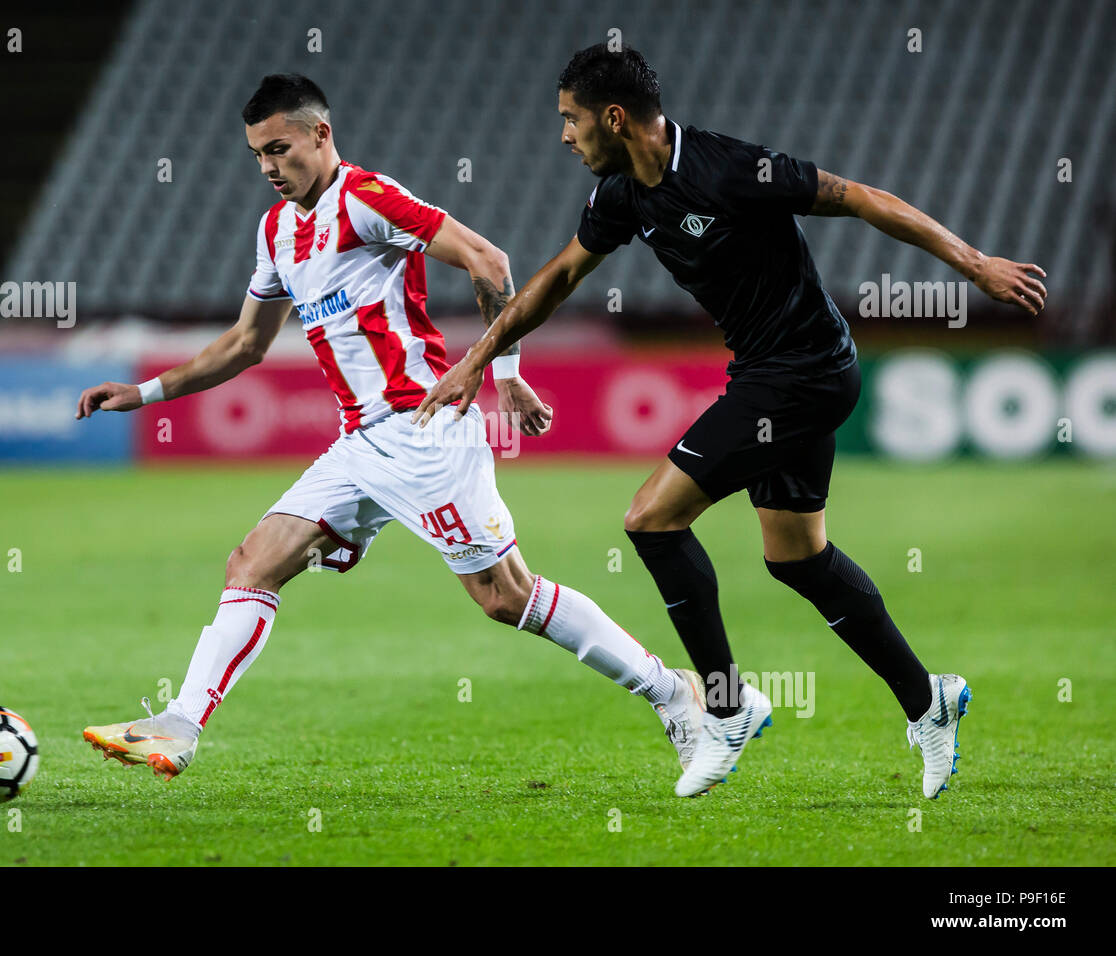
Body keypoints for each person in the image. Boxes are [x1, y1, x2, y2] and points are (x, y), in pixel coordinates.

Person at [414, 45, 1048, 799]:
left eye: (570, 119)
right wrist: (482, 356)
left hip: (805, 372)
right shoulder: (621, 195)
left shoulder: (729, 169)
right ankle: (928, 701)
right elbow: (556, 278)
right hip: (770, 372)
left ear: (613, 118)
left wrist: (974, 265)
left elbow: (858, 196)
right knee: (798, 560)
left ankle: (725, 707)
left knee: (651, 519)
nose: (564, 136)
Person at [74, 73, 706, 782]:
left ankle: (673, 691)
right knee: (252, 564)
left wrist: (503, 375)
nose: (268, 168)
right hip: (358, 444)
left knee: (507, 597)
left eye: (280, 149)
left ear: (321, 133)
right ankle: (181, 725)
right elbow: (247, 343)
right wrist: (144, 392)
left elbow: (489, 259)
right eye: (257, 155)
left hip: (425, 432)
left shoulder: (366, 198)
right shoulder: (276, 230)